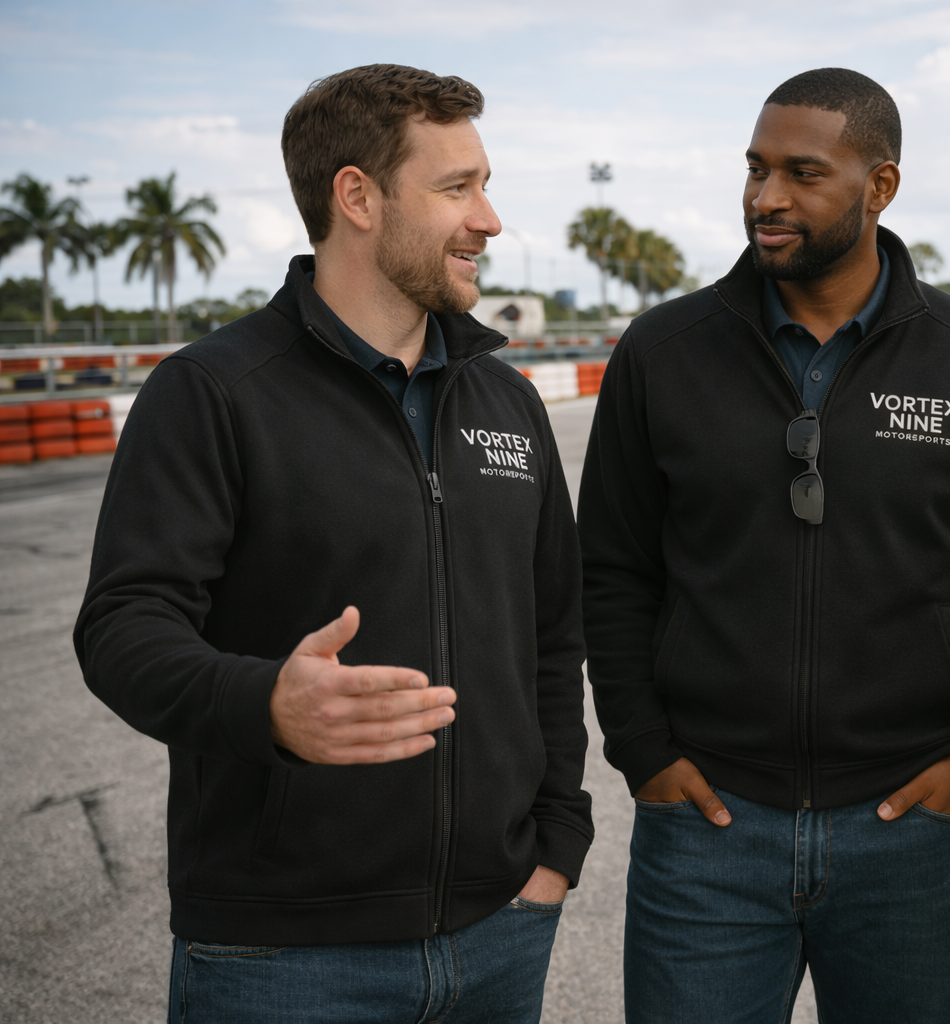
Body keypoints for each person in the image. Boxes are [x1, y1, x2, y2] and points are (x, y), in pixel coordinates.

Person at [74, 64, 592, 1023]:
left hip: (502, 932)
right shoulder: (214, 392)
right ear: (356, 196)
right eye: (456, 188)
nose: (489, 218)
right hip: (281, 955)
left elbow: (553, 637)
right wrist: (263, 702)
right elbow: (121, 627)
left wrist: (557, 844)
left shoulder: (507, 401)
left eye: (485, 184)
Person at [579, 67, 950, 1023]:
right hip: (707, 829)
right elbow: (611, 571)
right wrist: (643, 751)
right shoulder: (661, 353)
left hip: (912, 832)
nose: (766, 198)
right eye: (755, 170)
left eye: (802, 173)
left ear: (879, 188)